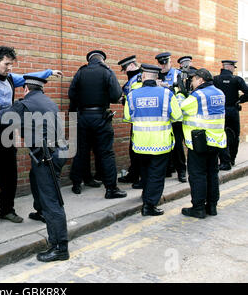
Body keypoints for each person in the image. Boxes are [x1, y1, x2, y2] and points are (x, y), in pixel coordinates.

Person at [0, 46, 63, 230]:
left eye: (11, 64)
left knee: (10, 175)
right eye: (6, 64)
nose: (9, 68)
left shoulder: (10, 79)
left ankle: (7, 210)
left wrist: (49, 72)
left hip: (7, 131)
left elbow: (28, 76)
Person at [0, 75, 69, 262]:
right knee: (34, 178)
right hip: (59, 151)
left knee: (52, 201)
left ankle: (60, 247)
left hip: (46, 156)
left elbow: (2, 119)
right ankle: (40, 211)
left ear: (25, 89)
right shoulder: (50, 102)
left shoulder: (24, 104)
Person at [124, 64, 182, 216]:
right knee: (157, 175)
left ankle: (146, 196)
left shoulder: (131, 95)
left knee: (145, 172)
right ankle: (149, 205)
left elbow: (128, 117)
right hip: (160, 143)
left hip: (140, 143)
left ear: (143, 77)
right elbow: (177, 116)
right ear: (157, 77)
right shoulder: (167, 94)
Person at [68, 50, 127, 198]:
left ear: (89, 60)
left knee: (81, 151)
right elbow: (115, 95)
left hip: (82, 117)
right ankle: (111, 189)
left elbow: (72, 94)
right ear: (102, 60)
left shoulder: (81, 72)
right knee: (106, 153)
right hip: (100, 117)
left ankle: (76, 183)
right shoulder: (107, 72)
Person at [181, 68, 227, 218]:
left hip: (200, 142)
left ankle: (198, 208)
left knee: (197, 174)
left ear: (200, 80)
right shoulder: (220, 93)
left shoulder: (198, 95)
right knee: (212, 173)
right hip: (216, 141)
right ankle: (212, 206)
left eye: (193, 80)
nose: (192, 83)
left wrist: (180, 94)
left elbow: (181, 108)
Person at [155, 52, 187, 183]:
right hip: (161, 116)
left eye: (165, 63)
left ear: (170, 62)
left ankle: (181, 171)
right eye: (161, 64)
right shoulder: (156, 74)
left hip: (174, 115)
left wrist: (168, 87)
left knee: (177, 145)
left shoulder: (177, 74)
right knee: (163, 143)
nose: (163, 66)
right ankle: (167, 169)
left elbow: (184, 92)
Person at [213, 60, 248, 171]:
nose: (234, 69)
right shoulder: (236, 79)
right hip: (233, 110)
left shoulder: (215, 79)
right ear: (230, 67)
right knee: (234, 136)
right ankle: (232, 159)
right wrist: (239, 100)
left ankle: (224, 162)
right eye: (234, 67)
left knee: (220, 136)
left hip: (219, 112)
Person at [117, 55, 143, 189]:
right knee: (134, 149)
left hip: (141, 120)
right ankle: (134, 174)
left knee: (139, 149)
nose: (125, 71)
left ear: (132, 65)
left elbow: (136, 99)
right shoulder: (134, 78)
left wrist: (125, 101)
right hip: (137, 119)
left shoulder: (138, 78)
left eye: (126, 68)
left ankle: (140, 177)